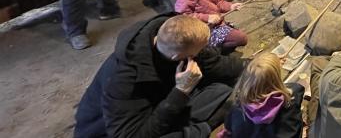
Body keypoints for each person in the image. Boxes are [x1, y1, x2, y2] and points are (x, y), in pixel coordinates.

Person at [75, 14, 249, 138]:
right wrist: (181, 91)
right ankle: (201, 128)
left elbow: (214, 64)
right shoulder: (123, 80)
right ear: (176, 57)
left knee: (224, 88)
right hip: (117, 130)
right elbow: (134, 134)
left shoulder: (174, 32)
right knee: (227, 106)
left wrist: (252, 65)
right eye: (199, 51)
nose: (202, 53)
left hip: (161, 102)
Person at [219, 52, 304, 138]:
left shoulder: (236, 106)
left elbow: (229, 129)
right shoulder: (288, 105)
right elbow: (292, 133)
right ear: (276, 80)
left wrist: (272, 65)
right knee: (296, 88)